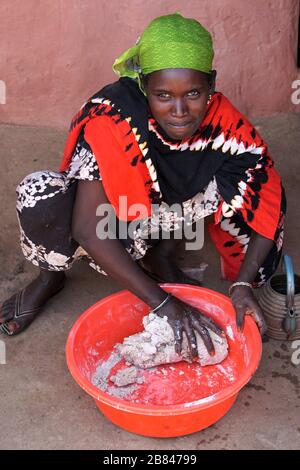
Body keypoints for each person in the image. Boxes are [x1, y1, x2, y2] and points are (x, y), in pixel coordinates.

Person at [0, 13, 285, 356]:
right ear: (143, 86)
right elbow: (88, 228)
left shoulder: (227, 126)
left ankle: (158, 253)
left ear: (211, 83)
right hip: (111, 217)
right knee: (39, 195)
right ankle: (50, 276)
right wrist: (162, 301)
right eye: (163, 95)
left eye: (193, 93)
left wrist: (243, 283)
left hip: (154, 215)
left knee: (240, 174)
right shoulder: (113, 120)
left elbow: (267, 200)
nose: (179, 110)